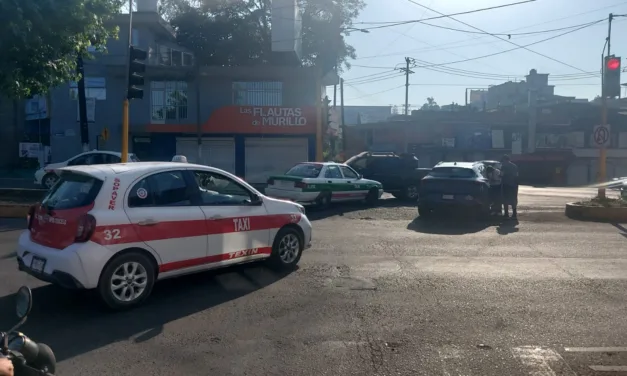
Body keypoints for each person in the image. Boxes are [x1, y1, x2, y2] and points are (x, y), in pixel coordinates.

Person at [500, 154, 519, 219]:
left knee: (505, 199)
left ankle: (506, 213)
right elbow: (516, 175)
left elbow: (501, 174)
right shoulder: (514, 166)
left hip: (506, 184)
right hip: (514, 185)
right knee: (513, 199)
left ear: (504, 160)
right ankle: (514, 213)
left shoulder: (503, 166)